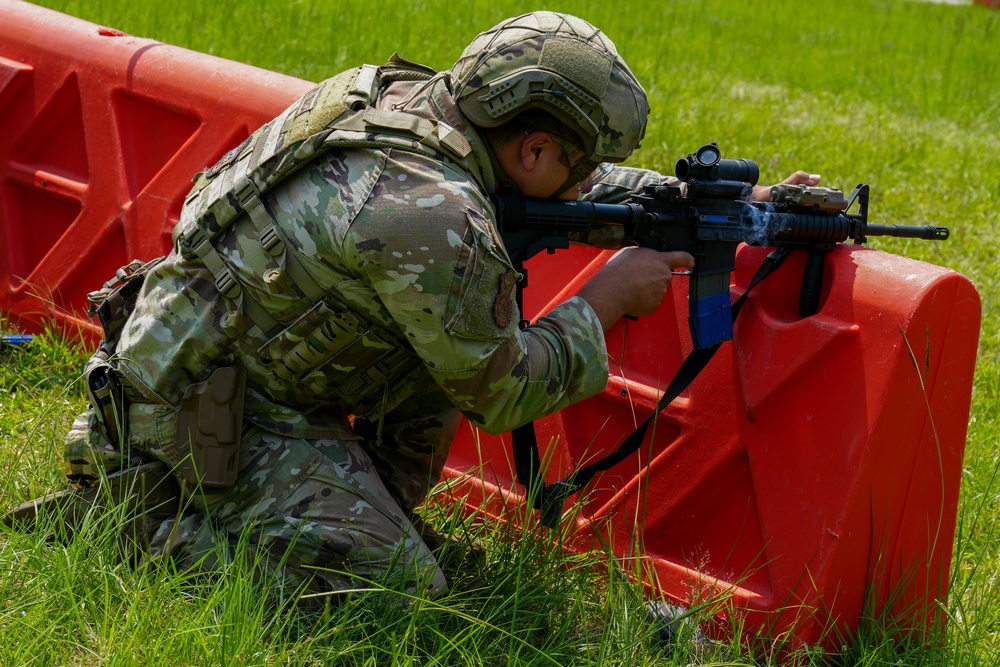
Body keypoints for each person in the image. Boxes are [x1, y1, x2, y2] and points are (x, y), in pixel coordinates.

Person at [30, 11, 820, 598]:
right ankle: (143, 524)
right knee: (401, 586)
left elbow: (577, 193)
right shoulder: (431, 213)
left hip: (228, 359)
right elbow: (502, 389)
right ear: (533, 147)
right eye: (579, 163)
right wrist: (605, 298)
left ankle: (339, 502)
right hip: (204, 411)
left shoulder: (414, 105)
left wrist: (727, 206)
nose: (588, 182)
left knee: (434, 365)